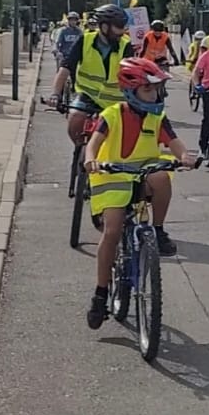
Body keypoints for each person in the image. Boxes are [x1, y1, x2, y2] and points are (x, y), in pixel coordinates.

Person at [83, 58, 197, 328]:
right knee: (112, 232)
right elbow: (94, 144)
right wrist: (91, 159)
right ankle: (100, 294)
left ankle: (157, 229)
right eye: (147, 89)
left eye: (156, 90)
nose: (154, 95)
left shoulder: (158, 118)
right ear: (130, 91)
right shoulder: (112, 114)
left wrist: (185, 156)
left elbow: (175, 143)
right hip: (111, 178)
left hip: (143, 176)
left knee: (162, 177)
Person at [50, 3, 133, 147]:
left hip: (117, 100)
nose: (122, 31)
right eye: (118, 26)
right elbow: (65, 68)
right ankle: (80, 152)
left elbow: (135, 74)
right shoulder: (85, 40)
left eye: (123, 26)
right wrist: (55, 94)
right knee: (75, 118)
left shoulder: (127, 45)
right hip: (87, 95)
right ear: (104, 27)